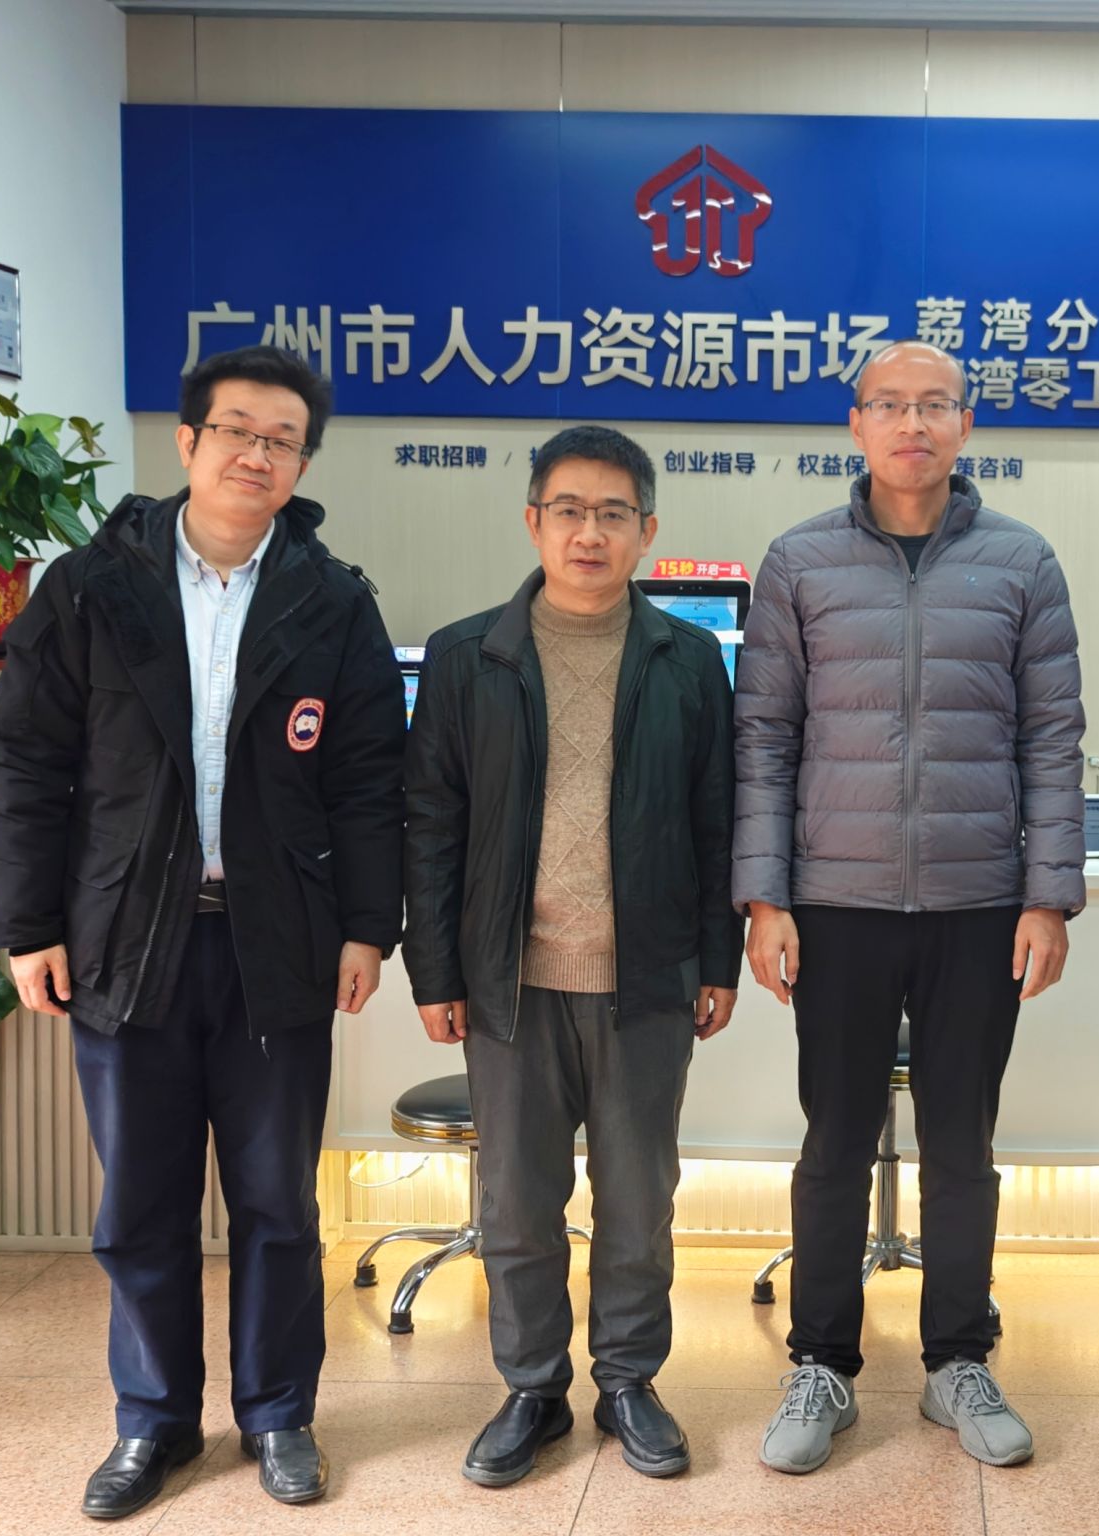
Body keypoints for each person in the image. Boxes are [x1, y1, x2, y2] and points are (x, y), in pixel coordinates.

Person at [0, 345, 405, 1519]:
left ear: (302, 463)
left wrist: (368, 928)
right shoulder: (90, 587)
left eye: (282, 440)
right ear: (187, 441)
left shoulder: (332, 600)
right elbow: (25, 764)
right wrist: (27, 925)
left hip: (279, 943)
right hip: (126, 938)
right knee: (141, 1206)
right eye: (236, 431)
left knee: (278, 1204)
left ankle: (277, 1415)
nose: (256, 455)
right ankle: (153, 1421)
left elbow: (371, 778)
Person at [735, 341, 1087, 1475]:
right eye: (889, 405)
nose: (912, 424)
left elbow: (1052, 739)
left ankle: (956, 1361)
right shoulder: (798, 560)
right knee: (834, 1140)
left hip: (977, 903)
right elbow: (764, 738)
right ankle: (821, 1364)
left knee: (962, 1145)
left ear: (966, 424)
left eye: (934, 405)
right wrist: (764, 897)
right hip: (834, 902)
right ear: (855, 424)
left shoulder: (1022, 562)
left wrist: (1049, 897)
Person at [403, 424, 742, 1488]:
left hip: (645, 980)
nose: (588, 532)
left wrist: (717, 959)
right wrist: (434, 971)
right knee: (516, 1205)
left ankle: (630, 1381)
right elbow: (431, 824)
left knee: (637, 1206)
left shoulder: (688, 660)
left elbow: (716, 821)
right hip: (510, 982)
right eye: (567, 510)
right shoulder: (468, 656)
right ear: (532, 521)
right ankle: (532, 1389)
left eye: (611, 513)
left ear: (646, 530)